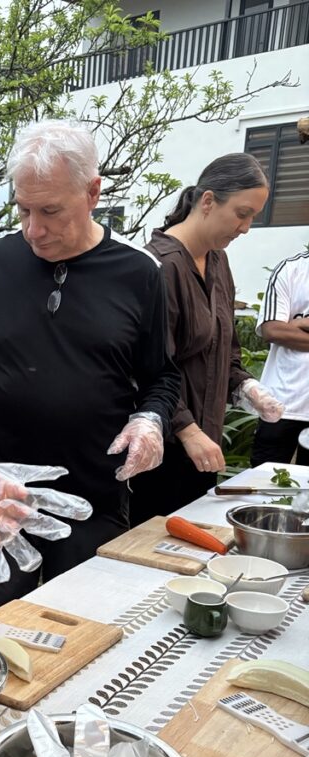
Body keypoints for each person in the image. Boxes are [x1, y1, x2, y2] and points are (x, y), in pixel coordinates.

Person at [0, 119, 180, 616]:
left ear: (92, 192)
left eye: (50, 211)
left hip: (93, 494)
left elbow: (163, 377)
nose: (33, 229)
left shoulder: (137, 273)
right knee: (0, 631)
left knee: (81, 631)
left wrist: (150, 421)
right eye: (23, 209)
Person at [130, 153, 284, 525]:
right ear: (208, 200)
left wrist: (246, 385)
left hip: (204, 444)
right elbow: (149, 368)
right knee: (153, 547)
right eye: (242, 214)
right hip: (163, 447)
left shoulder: (217, 261)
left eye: (252, 218)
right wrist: (189, 430)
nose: (245, 227)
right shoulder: (159, 267)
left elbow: (223, 348)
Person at [251, 249, 309, 468]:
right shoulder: (291, 269)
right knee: (265, 485)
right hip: (282, 404)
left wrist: (298, 324)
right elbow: (273, 330)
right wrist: (285, 328)